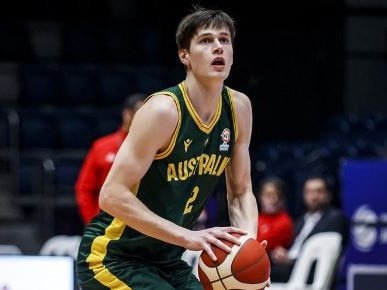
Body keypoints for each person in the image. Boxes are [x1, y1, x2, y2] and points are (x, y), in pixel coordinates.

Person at [76, 6, 261, 290]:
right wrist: (187, 237)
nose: (218, 48)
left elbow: (240, 191)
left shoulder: (239, 108)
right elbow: (111, 195)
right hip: (114, 256)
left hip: (167, 261)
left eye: (224, 40)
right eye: (206, 41)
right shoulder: (163, 111)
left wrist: (246, 246)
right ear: (184, 55)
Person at [75, 93, 145, 225]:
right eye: (140, 113)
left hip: (143, 225)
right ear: (127, 114)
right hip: (106, 223)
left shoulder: (156, 147)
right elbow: (84, 188)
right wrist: (93, 222)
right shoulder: (102, 146)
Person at [269, 175, 349, 283]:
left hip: (308, 274)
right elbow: (293, 248)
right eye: (309, 192)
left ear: (328, 194)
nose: (314, 196)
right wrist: (282, 254)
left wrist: (291, 261)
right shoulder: (300, 221)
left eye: (319, 191)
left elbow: (324, 256)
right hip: (287, 268)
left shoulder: (335, 218)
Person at [256, 176, 294, 253]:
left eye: (278, 195)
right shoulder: (255, 218)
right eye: (269, 195)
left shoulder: (285, 221)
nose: (274, 199)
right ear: (261, 197)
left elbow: (262, 245)